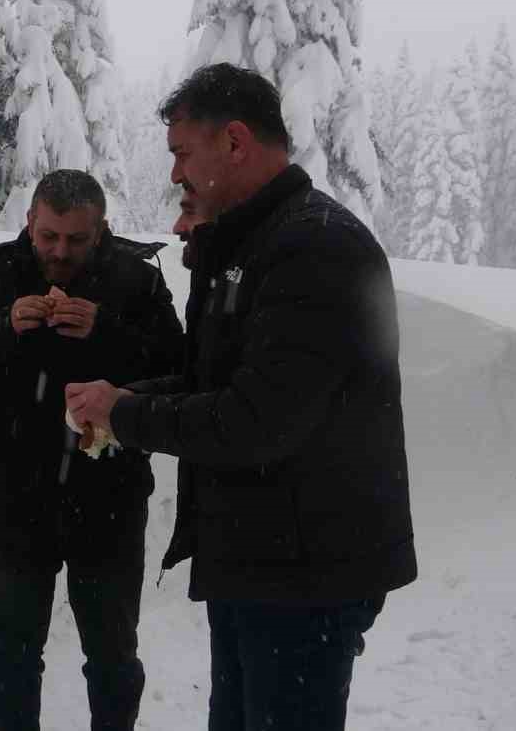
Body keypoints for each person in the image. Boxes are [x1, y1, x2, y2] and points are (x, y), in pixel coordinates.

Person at [65, 63, 418, 731]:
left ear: (234, 142)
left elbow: (255, 421)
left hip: (309, 571)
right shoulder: (248, 245)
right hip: (257, 559)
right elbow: (212, 380)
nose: (174, 176)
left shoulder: (315, 248)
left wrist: (125, 413)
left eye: (181, 154)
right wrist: (118, 397)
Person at [0, 170, 183, 731]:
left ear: (101, 231)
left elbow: (181, 372)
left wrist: (106, 330)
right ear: (30, 223)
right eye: (48, 237)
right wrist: (1, 325)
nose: (59, 253)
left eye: (75, 240)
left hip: (109, 502)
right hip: (11, 500)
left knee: (112, 656)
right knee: (14, 655)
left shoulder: (135, 282)